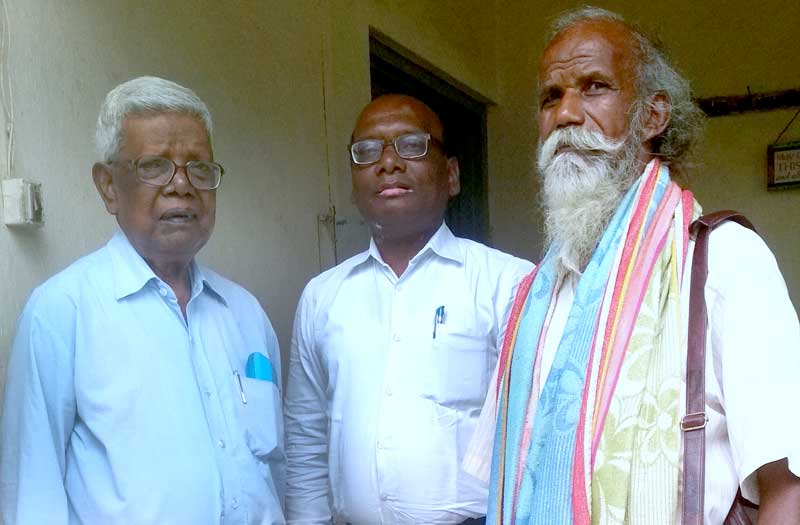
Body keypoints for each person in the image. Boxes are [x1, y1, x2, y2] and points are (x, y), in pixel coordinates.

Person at [465, 7, 800, 524]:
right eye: (551, 97)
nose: (566, 115)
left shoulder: (724, 261)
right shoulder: (532, 297)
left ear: (653, 116)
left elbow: (788, 488)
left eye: (594, 87)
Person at [0, 76, 285, 524]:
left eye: (199, 169)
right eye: (154, 166)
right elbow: (32, 494)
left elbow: (274, 472)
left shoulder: (246, 313)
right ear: (109, 186)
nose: (182, 185)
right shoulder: (62, 310)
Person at [284, 94, 533, 524]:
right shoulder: (322, 297)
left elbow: (537, 434)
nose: (388, 162)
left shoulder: (508, 283)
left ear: (451, 175)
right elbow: (307, 437)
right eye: (367, 151)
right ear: (353, 183)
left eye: (411, 145)